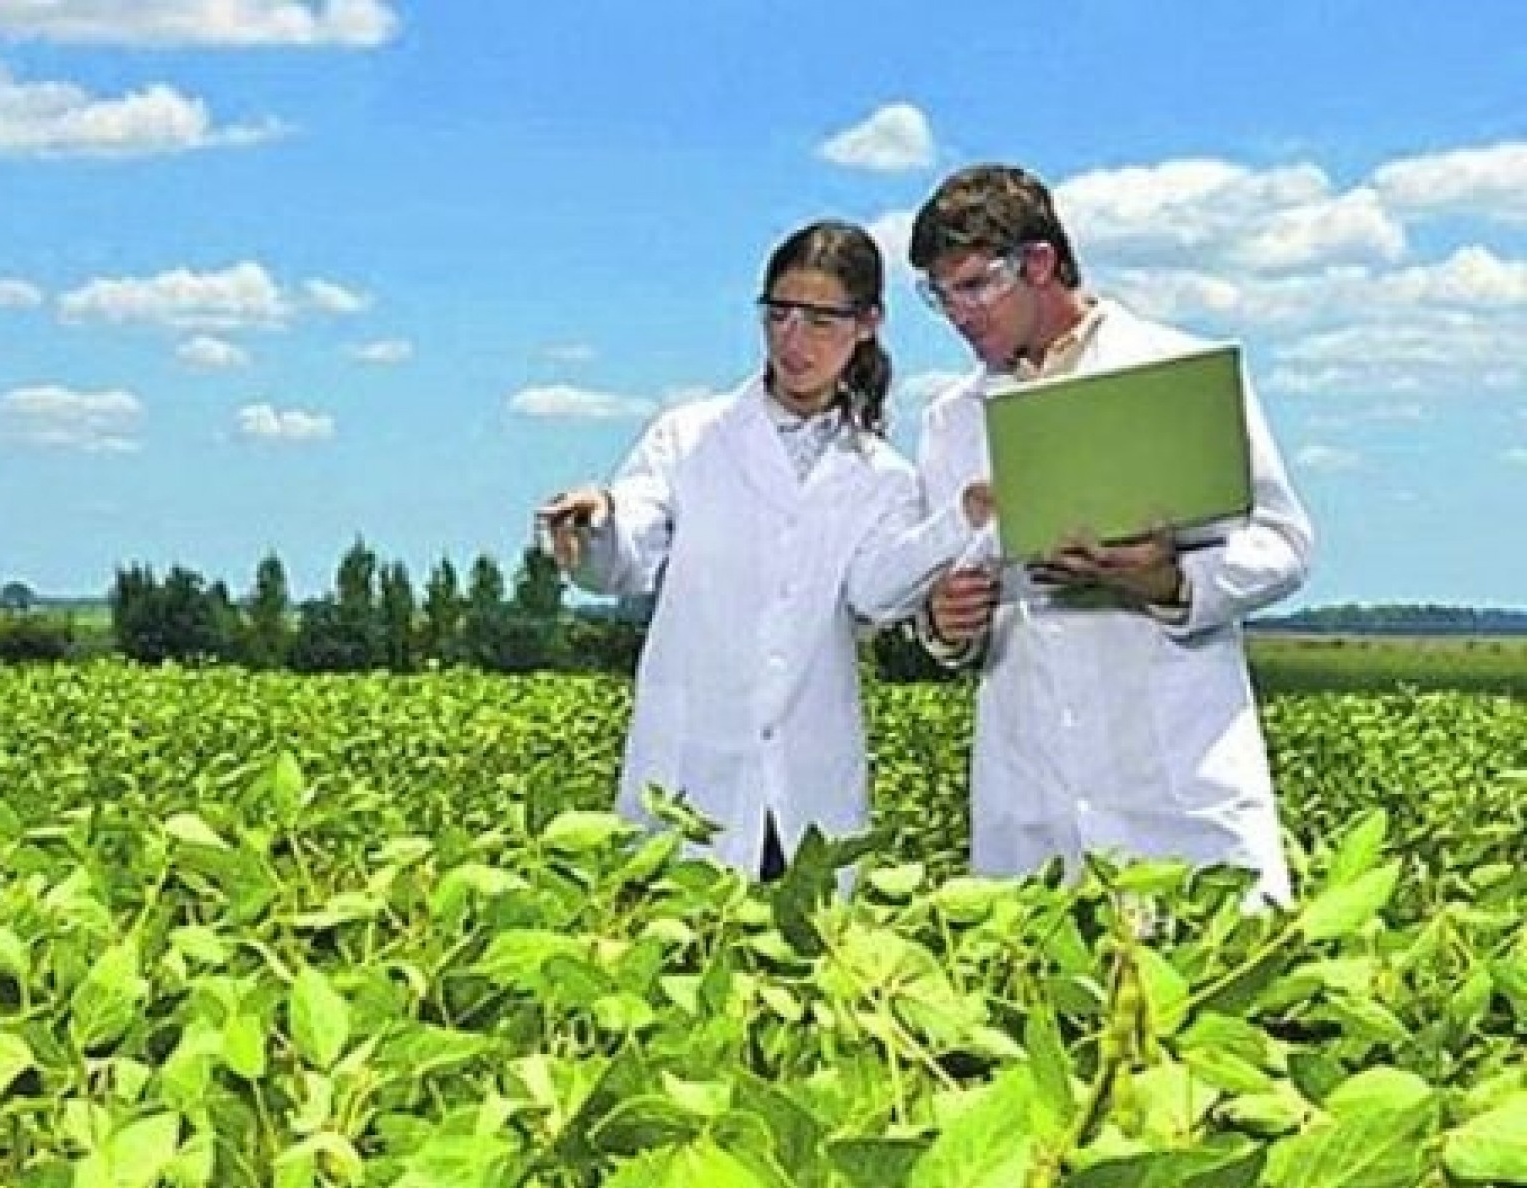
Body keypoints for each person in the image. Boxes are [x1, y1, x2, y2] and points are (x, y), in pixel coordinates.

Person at [906, 163, 1313, 904]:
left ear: (1040, 262)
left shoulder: (1175, 370)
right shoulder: (949, 420)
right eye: (940, 294)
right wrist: (943, 624)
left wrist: (1167, 580)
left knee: (1216, 985)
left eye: (974, 286)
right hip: (1030, 794)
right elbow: (944, 590)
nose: (959, 314)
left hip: (1174, 779)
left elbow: (1285, 544)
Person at [537, 220, 971, 880]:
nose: (793, 341)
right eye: (779, 315)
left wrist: (963, 518)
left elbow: (876, 594)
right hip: (691, 775)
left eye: (821, 320)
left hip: (806, 790)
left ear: (868, 323)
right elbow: (626, 559)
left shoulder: (883, 476)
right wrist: (598, 521)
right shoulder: (690, 436)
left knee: (801, 961)